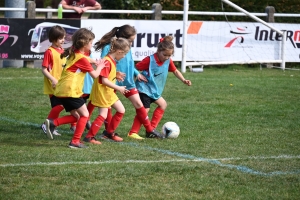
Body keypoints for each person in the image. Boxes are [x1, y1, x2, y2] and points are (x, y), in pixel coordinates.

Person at [92, 24, 165, 140]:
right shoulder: (109, 47)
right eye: (131, 40)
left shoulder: (126, 47)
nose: (131, 44)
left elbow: (130, 63)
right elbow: (103, 65)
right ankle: (108, 132)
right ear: (123, 37)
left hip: (128, 82)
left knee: (139, 104)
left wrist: (136, 73)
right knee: (108, 107)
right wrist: (115, 74)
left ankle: (150, 130)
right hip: (113, 83)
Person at [45, 28, 107, 149]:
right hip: (70, 91)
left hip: (62, 90)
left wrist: (94, 61)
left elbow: (86, 59)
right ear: (84, 44)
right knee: (85, 115)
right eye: (91, 43)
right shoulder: (82, 58)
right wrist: (99, 66)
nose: (92, 46)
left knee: (76, 117)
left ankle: (53, 123)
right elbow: (95, 75)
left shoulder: (75, 53)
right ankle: (75, 141)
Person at [130, 35, 192, 137]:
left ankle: (151, 130)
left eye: (169, 55)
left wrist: (184, 80)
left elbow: (175, 71)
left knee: (163, 105)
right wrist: (137, 74)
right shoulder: (149, 60)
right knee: (145, 110)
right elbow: (134, 68)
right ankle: (133, 132)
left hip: (154, 90)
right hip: (144, 87)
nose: (167, 58)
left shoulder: (168, 61)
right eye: (165, 55)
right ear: (158, 51)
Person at [84, 37, 130, 143]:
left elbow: (107, 75)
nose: (124, 57)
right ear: (119, 52)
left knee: (121, 110)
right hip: (102, 92)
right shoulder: (107, 61)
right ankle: (90, 137)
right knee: (103, 114)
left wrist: (115, 75)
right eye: (124, 54)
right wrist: (119, 88)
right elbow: (103, 80)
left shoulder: (111, 60)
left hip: (108, 92)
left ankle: (109, 132)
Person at [40, 25, 67, 136]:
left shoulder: (63, 50)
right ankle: (46, 124)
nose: (63, 40)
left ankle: (51, 125)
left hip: (62, 83)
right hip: (53, 84)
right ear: (53, 38)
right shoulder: (49, 52)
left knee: (60, 105)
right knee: (59, 106)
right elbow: (44, 69)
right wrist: (53, 79)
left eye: (64, 37)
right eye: (61, 38)